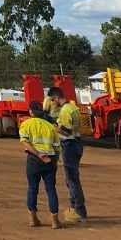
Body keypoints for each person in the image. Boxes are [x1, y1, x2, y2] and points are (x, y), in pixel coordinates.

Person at [48, 86, 87, 225]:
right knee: (72, 178)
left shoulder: (64, 111)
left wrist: (53, 126)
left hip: (69, 145)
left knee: (72, 180)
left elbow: (66, 131)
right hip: (77, 143)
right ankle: (76, 209)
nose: (53, 102)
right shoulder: (72, 107)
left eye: (53, 100)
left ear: (57, 98)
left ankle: (79, 211)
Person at [19, 101, 61, 229]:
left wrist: (37, 154)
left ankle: (33, 219)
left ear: (31, 112)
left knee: (32, 189)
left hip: (33, 160)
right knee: (51, 189)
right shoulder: (50, 127)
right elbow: (57, 148)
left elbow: (25, 143)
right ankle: (55, 221)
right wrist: (54, 160)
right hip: (49, 160)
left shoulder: (25, 124)